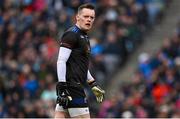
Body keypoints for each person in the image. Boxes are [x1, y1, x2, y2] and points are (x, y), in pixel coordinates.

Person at [55, 3, 105, 118]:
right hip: (72, 88)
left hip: (69, 89)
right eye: (86, 16)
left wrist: (92, 83)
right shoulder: (71, 34)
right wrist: (62, 86)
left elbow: (82, 65)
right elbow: (61, 60)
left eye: (91, 17)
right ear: (78, 17)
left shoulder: (84, 37)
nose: (89, 20)